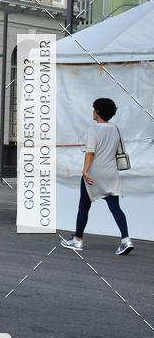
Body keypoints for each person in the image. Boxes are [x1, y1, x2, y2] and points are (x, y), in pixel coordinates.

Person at [61, 97, 133, 256]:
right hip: (111, 173)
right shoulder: (115, 129)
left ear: (99, 112)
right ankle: (126, 239)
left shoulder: (93, 129)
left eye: (94, 109)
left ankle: (77, 239)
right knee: (115, 207)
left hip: (94, 174)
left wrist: (85, 171)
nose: (92, 112)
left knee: (84, 206)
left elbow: (90, 152)